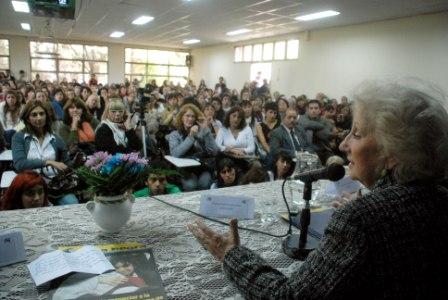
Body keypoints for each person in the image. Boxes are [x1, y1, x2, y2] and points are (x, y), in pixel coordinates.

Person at [188, 79, 448, 299]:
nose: (344, 145)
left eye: (356, 134)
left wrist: (231, 254)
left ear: (393, 152)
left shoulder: (361, 220)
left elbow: (287, 297)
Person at [11, 100, 78, 205]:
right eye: (34, 114)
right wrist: (48, 162)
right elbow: (19, 164)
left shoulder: (55, 138)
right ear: (28, 118)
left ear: (46, 116)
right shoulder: (19, 137)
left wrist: (78, 163)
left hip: (55, 186)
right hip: (30, 187)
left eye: (42, 114)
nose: (39, 118)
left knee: (73, 204)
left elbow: (66, 164)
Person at [166, 103, 218, 191]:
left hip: (203, 166)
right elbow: (175, 154)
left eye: (193, 116)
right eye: (187, 116)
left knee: (204, 184)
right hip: (185, 169)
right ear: (181, 117)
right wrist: (191, 137)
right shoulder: (174, 135)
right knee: (191, 185)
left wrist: (206, 130)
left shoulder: (202, 131)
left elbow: (214, 151)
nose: (190, 119)